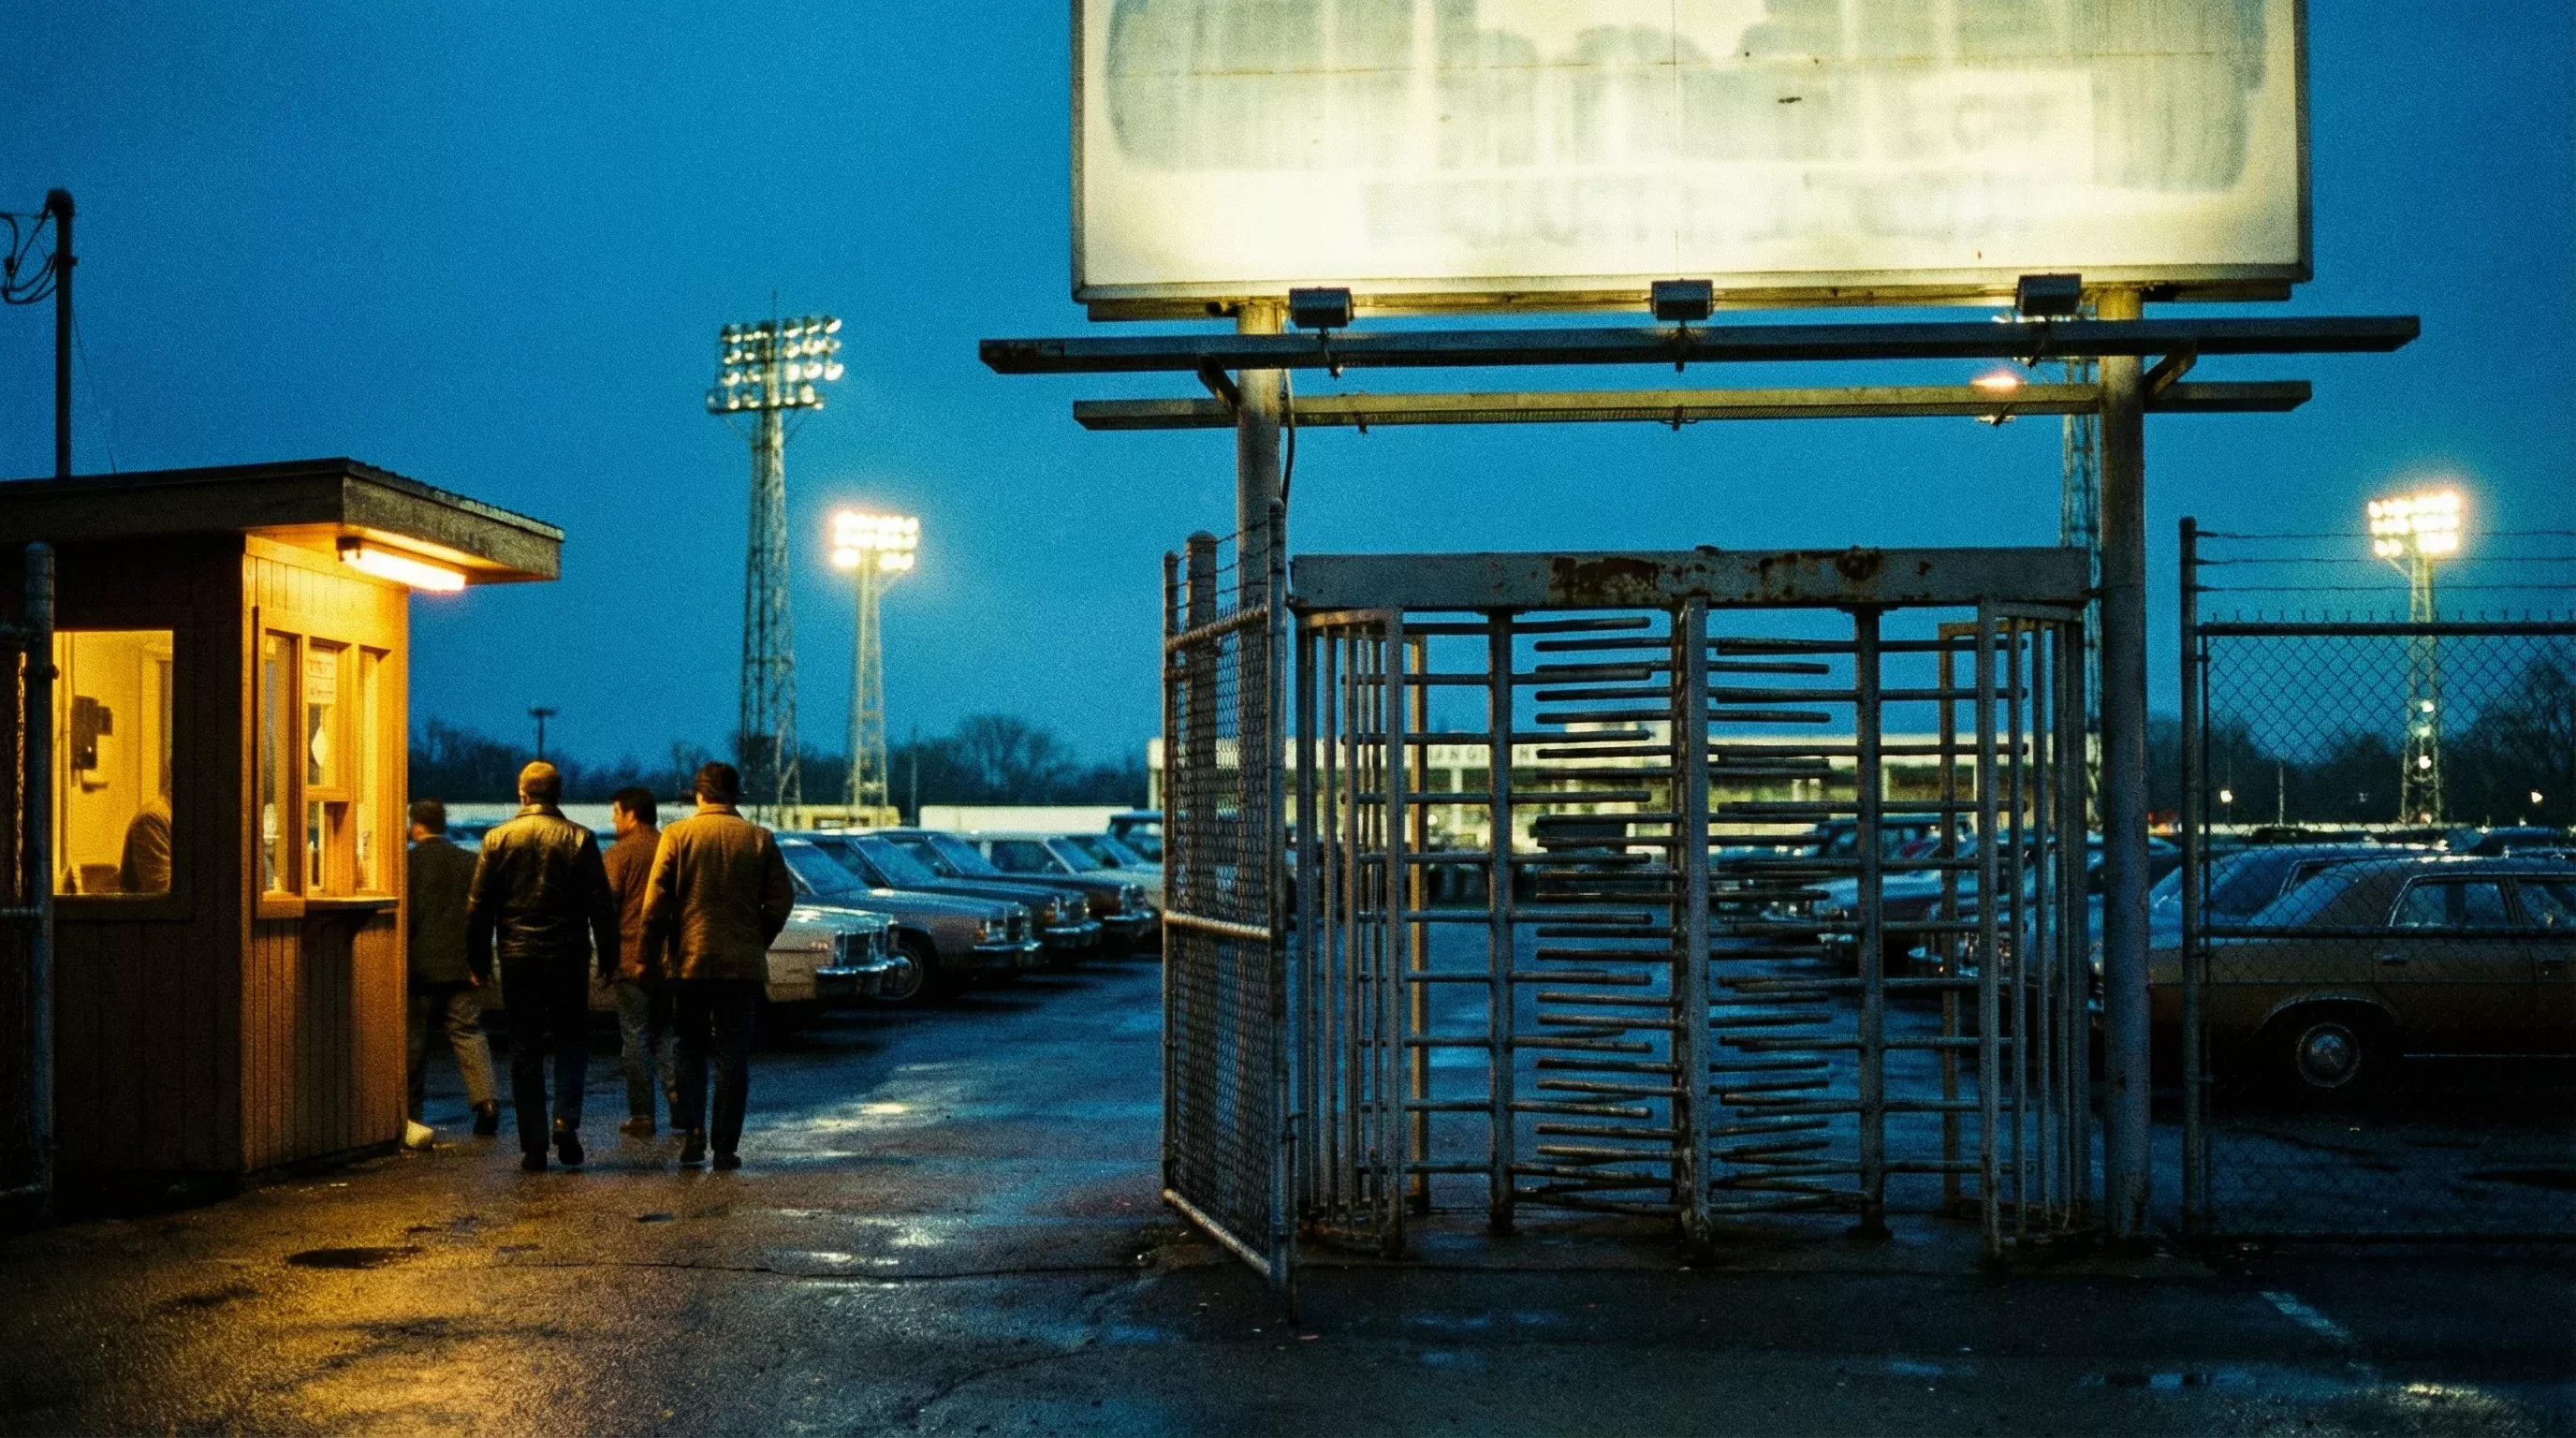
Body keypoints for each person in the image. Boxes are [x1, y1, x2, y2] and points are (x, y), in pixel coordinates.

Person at [641, 761, 793, 1169]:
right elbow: (782, 899)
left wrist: (649, 955)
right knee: (732, 1055)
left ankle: (692, 1134)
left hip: (689, 963)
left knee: (688, 1048)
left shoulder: (677, 835)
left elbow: (654, 905)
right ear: (734, 795)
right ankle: (726, 1147)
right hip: (742, 967)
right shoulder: (759, 839)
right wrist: (758, 937)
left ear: (699, 794)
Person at [468, 762, 619, 1172]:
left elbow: (479, 907)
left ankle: (533, 1144)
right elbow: (600, 905)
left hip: (518, 957)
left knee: (524, 1049)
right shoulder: (580, 838)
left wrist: (478, 961)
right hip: (568, 956)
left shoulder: (496, 839)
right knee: (572, 1041)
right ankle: (565, 1121)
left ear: (522, 794)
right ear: (558, 794)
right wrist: (609, 958)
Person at [404, 799, 499, 1140]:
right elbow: (483, 917)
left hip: (420, 968)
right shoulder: (469, 863)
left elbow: (410, 919)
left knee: (414, 1041)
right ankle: (487, 1103)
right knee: (468, 1033)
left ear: (416, 826)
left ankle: (411, 1113)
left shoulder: (407, 865)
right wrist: (481, 964)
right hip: (463, 966)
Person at [602, 785, 677, 1137]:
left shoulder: (619, 854)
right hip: (669, 960)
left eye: (616, 811)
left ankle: (642, 1114)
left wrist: (606, 958)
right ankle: (679, 1102)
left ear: (632, 814)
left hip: (631, 958)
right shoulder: (671, 847)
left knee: (635, 1036)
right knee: (667, 1033)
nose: (613, 819)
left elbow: (606, 906)